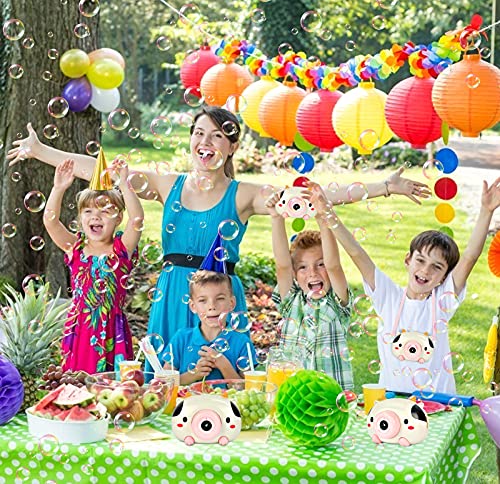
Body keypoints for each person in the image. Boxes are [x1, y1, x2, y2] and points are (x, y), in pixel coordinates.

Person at [8, 107, 430, 362]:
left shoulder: (242, 194)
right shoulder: (165, 183)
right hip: (173, 293)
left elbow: (311, 197)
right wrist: (41, 152)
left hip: (221, 297)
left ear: (231, 148)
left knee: (219, 383)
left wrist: (383, 186)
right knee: (170, 382)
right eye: (199, 133)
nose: (205, 142)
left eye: (217, 136)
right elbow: (96, 171)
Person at [325, 177, 500, 394]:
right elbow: (356, 253)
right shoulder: (387, 297)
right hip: (391, 401)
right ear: (408, 260)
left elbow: (469, 257)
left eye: (436, 267)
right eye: (420, 260)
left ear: (445, 277)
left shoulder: (442, 301)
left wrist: (486, 211)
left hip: (438, 403)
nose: (425, 271)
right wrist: (327, 214)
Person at [43, 158, 144, 373]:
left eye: (105, 211)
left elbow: (137, 218)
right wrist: (58, 188)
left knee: (114, 390)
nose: (95, 216)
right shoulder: (76, 248)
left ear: (118, 218)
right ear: (80, 218)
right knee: (77, 384)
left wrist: (124, 184)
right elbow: (51, 221)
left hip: (111, 332)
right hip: (79, 329)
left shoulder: (121, 249)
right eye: (88, 211)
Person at [266, 183, 353, 390]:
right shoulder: (291, 302)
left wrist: (323, 218)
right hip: (293, 394)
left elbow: (334, 265)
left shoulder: (337, 302)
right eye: (303, 268)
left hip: (331, 395)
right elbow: (282, 265)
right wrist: (276, 217)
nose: (312, 272)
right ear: (296, 275)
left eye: (319, 264)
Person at [162, 270, 258, 384]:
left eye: (220, 298)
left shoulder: (242, 343)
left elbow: (248, 389)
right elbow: (164, 383)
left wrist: (223, 365)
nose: (212, 306)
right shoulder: (181, 339)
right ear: (193, 306)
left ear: (231, 303)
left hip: (226, 402)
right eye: (203, 300)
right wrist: (194, 374)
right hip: (188, 401)